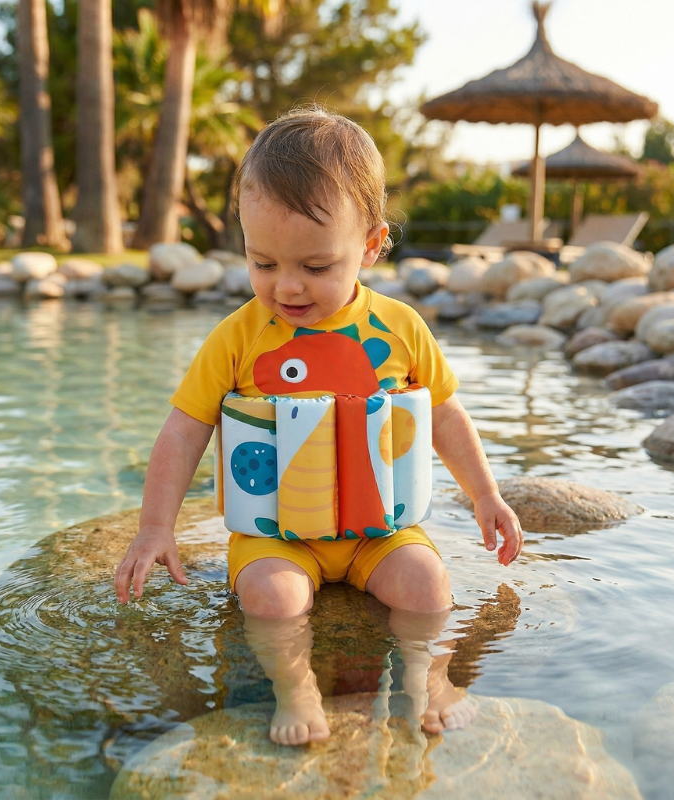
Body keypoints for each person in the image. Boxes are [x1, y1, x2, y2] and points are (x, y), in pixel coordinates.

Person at [115, 107, 523, 747]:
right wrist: (154, 527)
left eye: (315, 265)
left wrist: (486, 495)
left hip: (379, 531)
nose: (288, 287)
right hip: (278, 536)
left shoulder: (400, 328)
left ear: (370, 243)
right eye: (264, 263)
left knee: (427, 585)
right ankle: (293, 687)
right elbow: (184, 428)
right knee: (273, 600)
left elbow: (443, 413)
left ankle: (428, 675)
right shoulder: (240, 336)